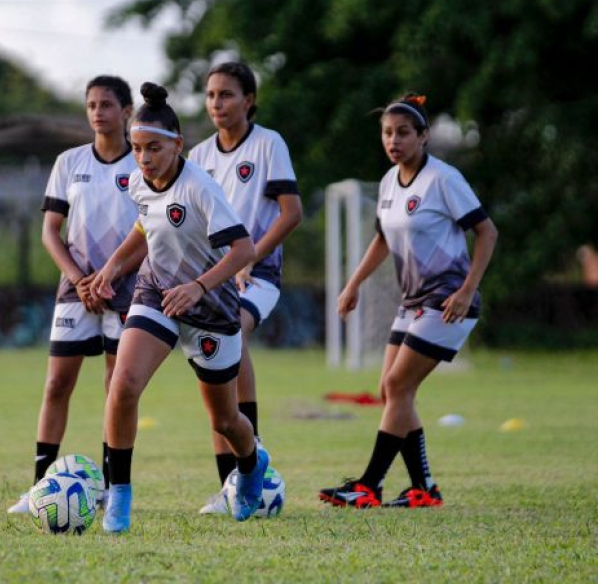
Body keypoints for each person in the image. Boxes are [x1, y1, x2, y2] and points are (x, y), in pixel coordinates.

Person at [90, 82, 269, 532]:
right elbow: (142, 227)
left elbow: (244, 249)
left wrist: (198, 286)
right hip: (155, 294)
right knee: (124, 384)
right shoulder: (136, 181)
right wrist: (112, 268)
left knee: (226, 420)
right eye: (136, 148)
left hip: (212, 308)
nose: (144, 158)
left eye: (153, 148)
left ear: (177, 145)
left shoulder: (202, 188)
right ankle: (119, 497)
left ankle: (251, 463)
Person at [319, 93, 498, 508]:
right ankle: (424, 489)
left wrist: (467, 289)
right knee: (391, 390)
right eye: (387, 133)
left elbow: (487, 232)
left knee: (398, 385)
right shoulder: (387, 182)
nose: (393, 140)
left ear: (423, 136)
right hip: (412, 299)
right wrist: (353, 284)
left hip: (447, 301)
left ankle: (368, 485)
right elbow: (383, 239)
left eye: (403, 132)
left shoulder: (443, 179)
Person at [7, 75, 139, 513]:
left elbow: (153, 231)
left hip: (127, 286)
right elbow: (50, 231)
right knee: (56, 383)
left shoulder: (142, 164)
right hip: (75, 287)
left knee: (116, 386)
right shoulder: (68, 161)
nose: (97, 112)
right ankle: (40, 486)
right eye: (91, 105)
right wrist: (80, 279)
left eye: (106, 104)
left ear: (126, 112)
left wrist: (111, 276)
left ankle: (108, 486)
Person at [188, 61, 303, 514]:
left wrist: (249, 257)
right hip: (212, 279)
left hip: (258, 275)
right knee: (212, 364)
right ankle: (231, 484)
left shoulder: (269, 145)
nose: (217, 103)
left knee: (231, 331)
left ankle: (245, 478)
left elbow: (291, 213)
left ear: (249, 100)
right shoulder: (197, 157)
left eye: (227, 94)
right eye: (211, 95)